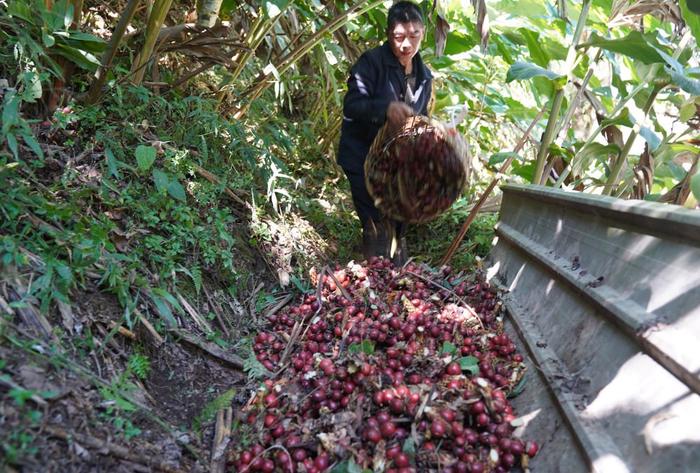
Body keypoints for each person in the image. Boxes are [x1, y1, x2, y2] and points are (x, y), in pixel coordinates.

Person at [337, 0, 432, 266]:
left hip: (396, 163)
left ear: (422, 33)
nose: (406, 44)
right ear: (389, 34)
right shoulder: (371, 63)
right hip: (361, 155)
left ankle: (397, 276)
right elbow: (352, 105)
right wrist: (386, 110)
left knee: (400, 219)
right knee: (373, 221)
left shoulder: (425, 77)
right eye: (399, 36)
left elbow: (421, 117)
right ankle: (372, 279)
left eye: (414, 36)